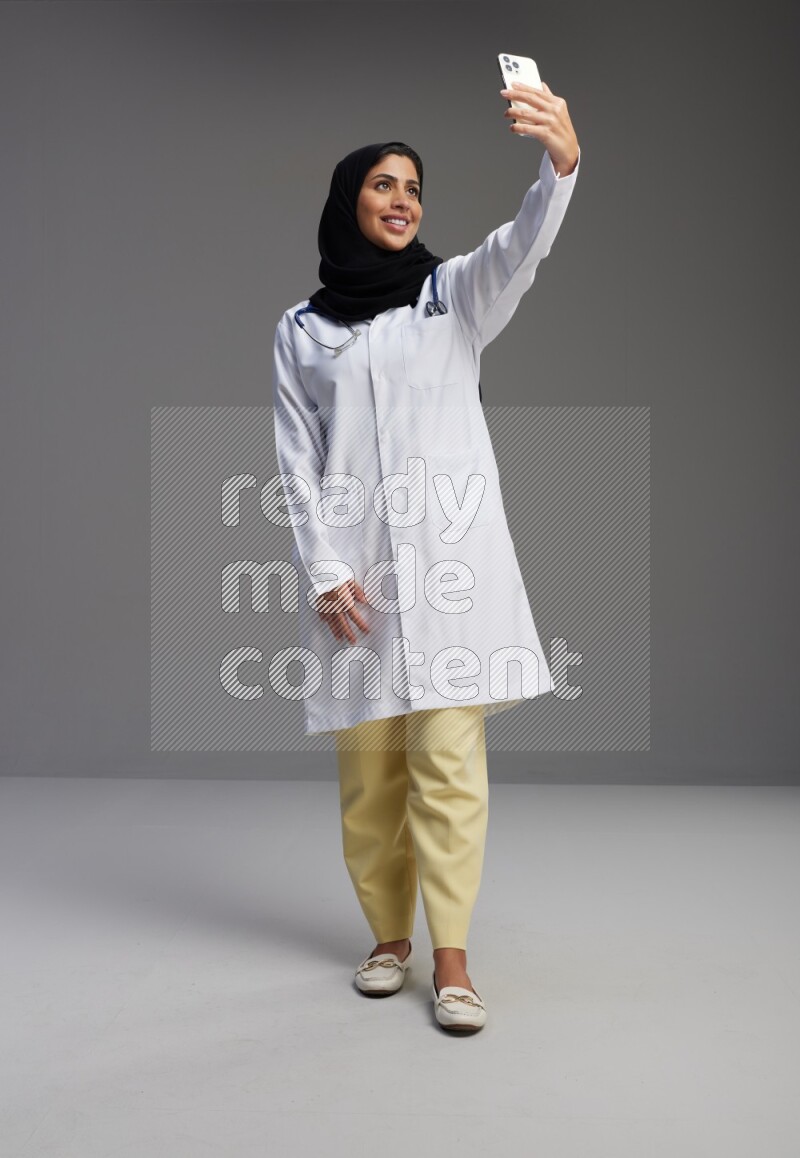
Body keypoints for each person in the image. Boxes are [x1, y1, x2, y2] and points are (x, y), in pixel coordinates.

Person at [272, 80, 580, 1032]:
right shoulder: (303, 330)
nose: (403, 200)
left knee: (448, 763)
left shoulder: (454, 298)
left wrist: (560, 163)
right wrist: (325, 571)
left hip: (450, 574)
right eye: (382, 186)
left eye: (413, 187)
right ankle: (387, 938)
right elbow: (295, 459)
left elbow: (521, 244)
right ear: (347, 202)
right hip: (359, 580)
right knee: (372, 778)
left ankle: (450, 959)